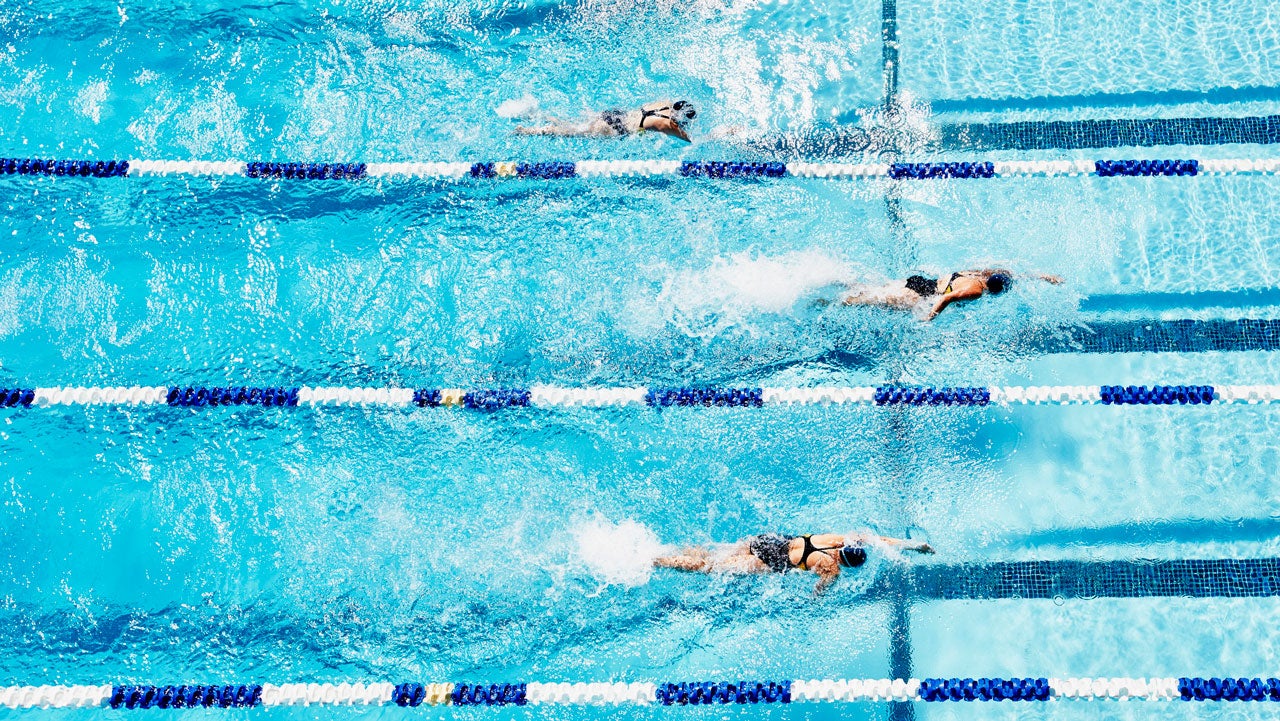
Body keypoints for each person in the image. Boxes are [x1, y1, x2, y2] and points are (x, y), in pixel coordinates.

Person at [654, 532, 933, 594]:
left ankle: (665, 550)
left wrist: (914, 546)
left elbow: (878, 539)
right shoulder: (831, 568)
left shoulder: (836, 538)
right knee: (710, 569)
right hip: (767, 562)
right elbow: (818, 593)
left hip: (767, 540)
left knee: (712, 555)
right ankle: (659, 560)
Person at [839, 269, 1063, 321]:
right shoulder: (976, 291)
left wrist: (1044, 277)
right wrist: (930, 318)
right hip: (918, 296)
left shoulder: (978, 274)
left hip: (920, 281)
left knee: (873, 290)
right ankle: (831, 302)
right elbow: (947, 298)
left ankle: (838, 279)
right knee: (865, 301)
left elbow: (1012, 274)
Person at [514, 100, 696, 142]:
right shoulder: (666, 124)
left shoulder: (665, 103)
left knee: (574, 123)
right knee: (571, 132)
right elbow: (690, 141)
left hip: (615, 114)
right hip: (615, 128)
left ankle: (534, 114)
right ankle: (528, 130)